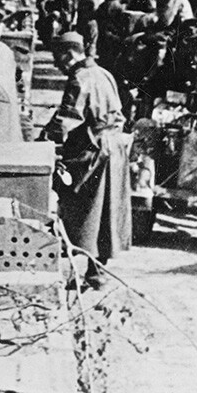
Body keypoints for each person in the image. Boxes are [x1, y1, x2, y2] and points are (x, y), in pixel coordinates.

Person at [42, 32, 131, 289]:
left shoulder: (80, 78)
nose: (58, 66)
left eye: (58, 59)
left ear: (68, 54)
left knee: (81, 207)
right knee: (106, 212)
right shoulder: (104, 73)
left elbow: (67, 118)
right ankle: (96, 272)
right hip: (114, 147)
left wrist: (41, 139)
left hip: (95, 151)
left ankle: (74, 265)